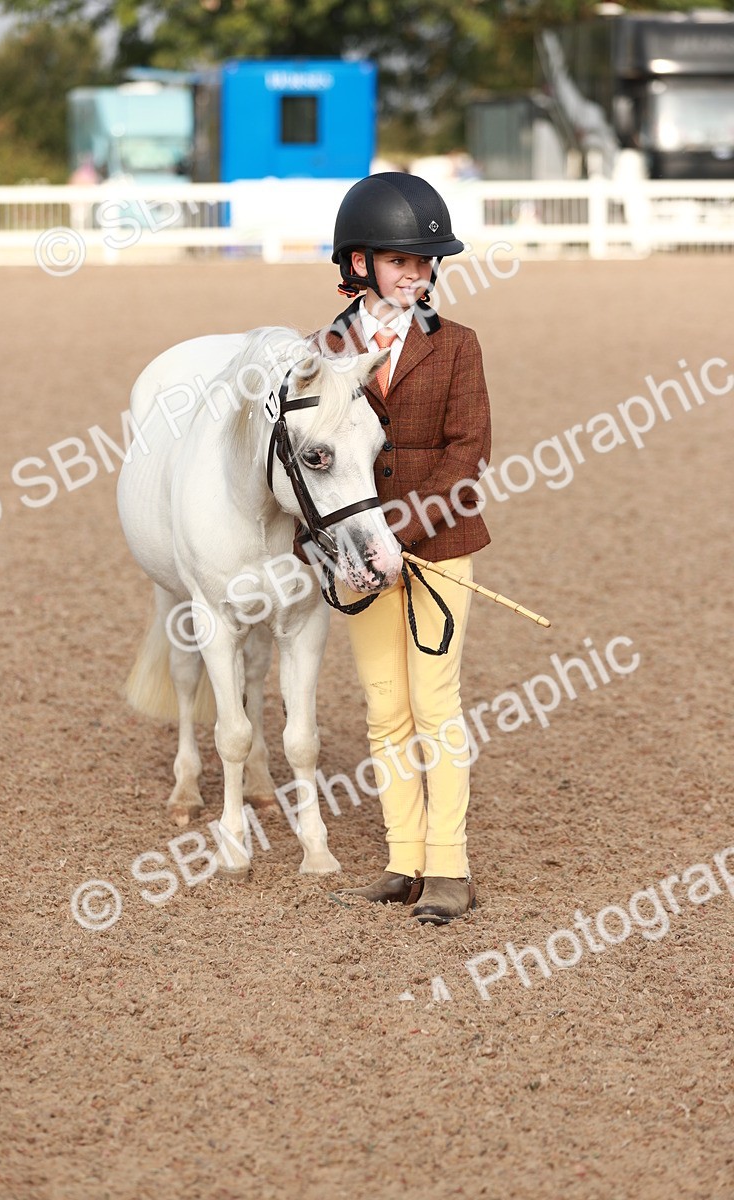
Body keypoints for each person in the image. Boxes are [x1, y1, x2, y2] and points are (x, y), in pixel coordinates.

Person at [303, 173, 492, 925]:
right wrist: (331, 544)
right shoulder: (321, 350)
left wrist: (399, 536)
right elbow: (306, 454)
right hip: (356, 555)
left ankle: (450, 867)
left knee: (433, 704)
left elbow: (466, 454)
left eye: (424, 263)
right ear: (358, 265)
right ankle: (403, 858)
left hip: (436, 547)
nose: (415, 276)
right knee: (384, 709)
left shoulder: (459, 348)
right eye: (398, 262)